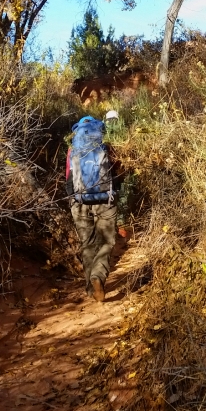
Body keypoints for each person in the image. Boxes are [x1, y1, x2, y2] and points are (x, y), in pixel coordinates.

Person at [66, 111, 120, 302]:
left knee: (87, 243)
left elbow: (69, 178)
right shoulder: (106, 146)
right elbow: (117, 172)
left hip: (79, 201)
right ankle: (98, 276)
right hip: (105, 199)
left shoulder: (73, 150)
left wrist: (73, 198)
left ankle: (91, 289)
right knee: (106, 242)